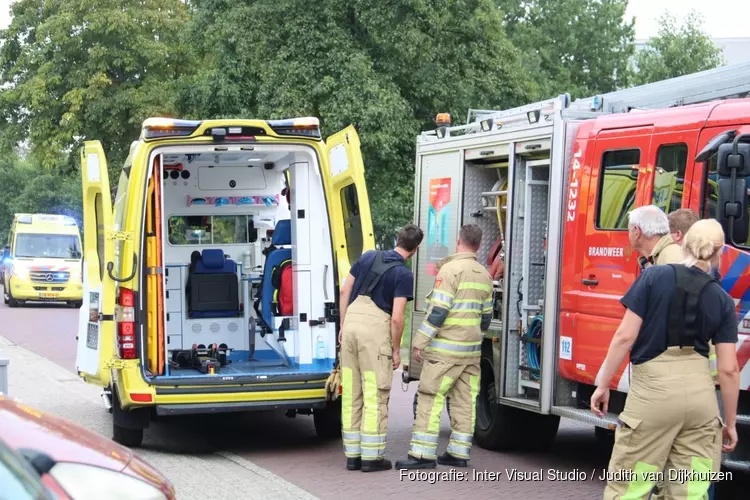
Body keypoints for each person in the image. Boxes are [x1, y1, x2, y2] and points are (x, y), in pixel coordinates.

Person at [591, 219, 740, 499]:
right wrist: (729, 423)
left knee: (630, 487)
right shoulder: (721, 299)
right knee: (690, 490)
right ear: (720, 253)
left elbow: (624, 337)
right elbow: (729, 370)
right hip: (701, 404)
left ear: (682, 242)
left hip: (653, 398)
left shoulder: (653, 277)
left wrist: (603, 384)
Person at [395, 224, 493, 470]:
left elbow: (438, 311)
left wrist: (419, 341)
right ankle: (458, 453)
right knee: (464, 401)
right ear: (479, 245)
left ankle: (421, 455)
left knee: (430, 397)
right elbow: (486, 318)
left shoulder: (449, 271)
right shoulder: (485, 275)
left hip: (444, 353)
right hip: (470, 354)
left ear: (458, 240)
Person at [337, 224, 424, 472]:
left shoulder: (367, 256)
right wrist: (396, 351)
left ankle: (352, 456)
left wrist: (344, 325)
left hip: (351, 323)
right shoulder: (403, 275)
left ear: (397, 239)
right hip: (374, 334)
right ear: (415, 250)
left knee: (352, 393)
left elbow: (345, 290)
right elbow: (397, 318)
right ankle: (371, 458)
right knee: (375, 395)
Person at [628, 205, 683, 270]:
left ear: (637, 232)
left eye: (629, 231)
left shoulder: (670, 260)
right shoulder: (669, 255)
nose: (629, 235)